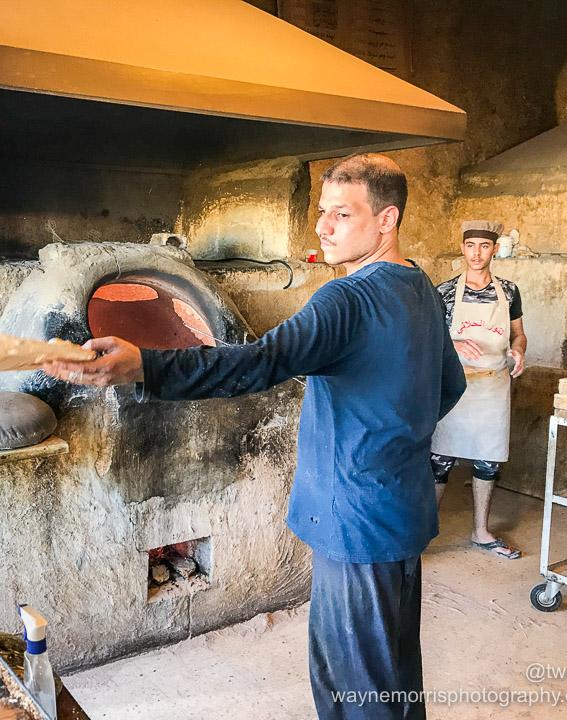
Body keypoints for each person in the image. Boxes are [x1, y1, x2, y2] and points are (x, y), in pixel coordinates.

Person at [44, 153, 466, 720]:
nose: (323, 228)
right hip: (400, 507)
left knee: (358, 686)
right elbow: (450, 385)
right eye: (322, 212)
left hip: (355, 518)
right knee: (391, 672)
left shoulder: (347, 300)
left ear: (386, 220)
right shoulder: (422, 290)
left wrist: (146, 365)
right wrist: (393, 434)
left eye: (342, 214)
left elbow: (258, 362)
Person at [430, 220, 527, 560]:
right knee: (439, 460)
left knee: (488, 461)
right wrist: (454, 344)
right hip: (454, 386)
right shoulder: (444, 292)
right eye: (470, 245)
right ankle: (424, 531)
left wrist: (519, 350)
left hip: (493, 386)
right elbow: (428, 338)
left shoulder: (509, 291)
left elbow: (518, 333)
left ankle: (481, 531)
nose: (476, 253)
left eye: (484, 246)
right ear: (462, 248)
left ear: (494, 249)